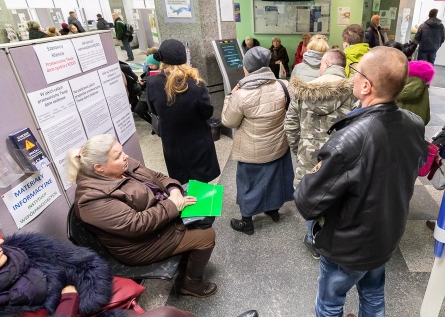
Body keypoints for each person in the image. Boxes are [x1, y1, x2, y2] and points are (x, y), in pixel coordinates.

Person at [294, 47, 427, 316]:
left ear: (366, 86)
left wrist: (315, 171)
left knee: (329, 304)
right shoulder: (413, 123)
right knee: (374, 295)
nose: (351, 76)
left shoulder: (348, 141)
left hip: (348, 245)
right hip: (386, 235)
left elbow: (307, 203)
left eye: (355, 72)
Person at [69, 134, 218, 297]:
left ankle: (186, 255)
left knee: (203, 203)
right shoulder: (91, 200)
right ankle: (191, 284)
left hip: (159, 218)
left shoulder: (122, 166)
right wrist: (173, 204)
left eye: (122, 151)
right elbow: (136, 225)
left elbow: (158, 177)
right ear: (99, 168)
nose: (125, 156)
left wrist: (174, 191)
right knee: (207, 236)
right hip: (140, 244)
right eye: (118, 156)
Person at [0, 219, 204, 317]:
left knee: (169, 313)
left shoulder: (24, 249)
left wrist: (86, 302)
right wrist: (68, 302)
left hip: (90, 311)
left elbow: (86, 265)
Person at [284, 49, 355, 259]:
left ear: (325, 63)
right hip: (343, 157)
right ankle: (335, 239)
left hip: (309, 155)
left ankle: (312, 239)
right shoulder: (356, 91)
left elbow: (290, 126)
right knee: (339, 196)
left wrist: (299, 149)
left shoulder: (303, 91)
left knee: (313, 196)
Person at [221, 47, 294, 235]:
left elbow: (229, 121)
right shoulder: (283, 85)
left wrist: (229, 97)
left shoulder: (241, 94)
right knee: (275, 179)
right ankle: (273, 211)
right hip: (277, 144)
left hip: (251, 150)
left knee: (248, 184)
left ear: (248, 68)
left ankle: (247, 222)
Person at [147, 39, 220, 184]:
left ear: (163, 60)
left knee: (181, 180)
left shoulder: (152, 83)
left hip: (172, 143)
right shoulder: (196, 84)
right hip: (198, 141)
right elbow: (207, 113)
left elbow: (153, 110)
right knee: (201, 183)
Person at [396, 60, 434, 126]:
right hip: (418, 124)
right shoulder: (423, 86)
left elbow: (403, 94)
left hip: (402, 123)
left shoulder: (399, 91)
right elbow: (427, 115)